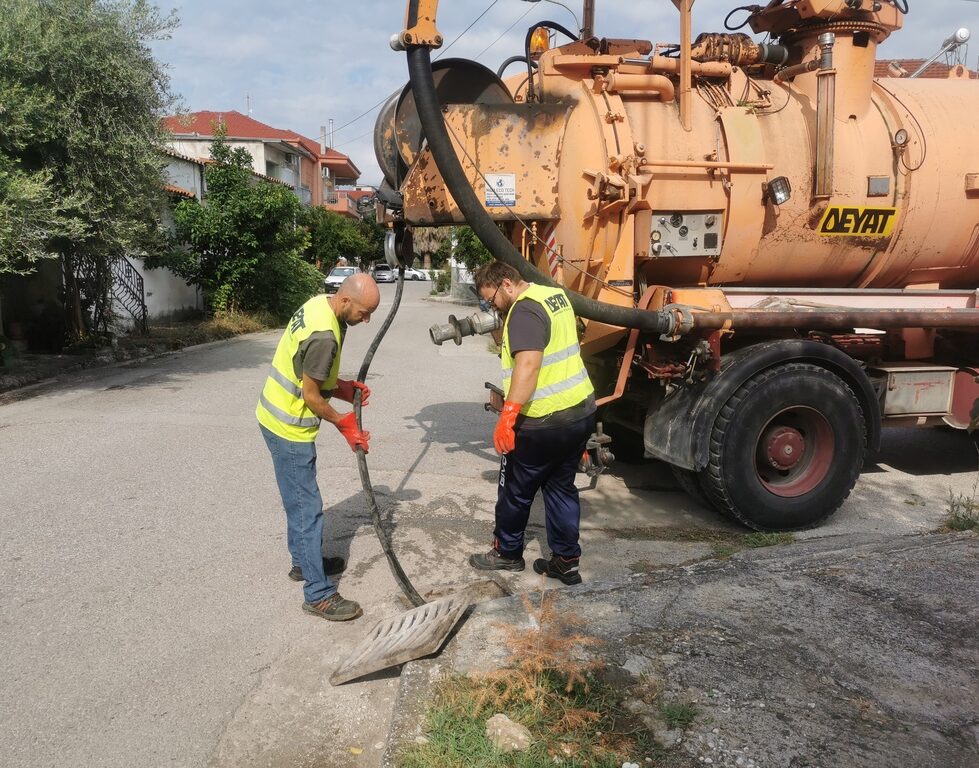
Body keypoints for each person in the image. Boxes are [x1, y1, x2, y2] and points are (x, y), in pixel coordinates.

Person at [256, 273, 380, 621]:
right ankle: (318, 594)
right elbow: (310, 395)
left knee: (298, 503)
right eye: (364, 313)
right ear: (345, 300)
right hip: (288, 428)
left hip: (272, 415)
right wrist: (344, 423)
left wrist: (343, 388)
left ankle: (303, 562)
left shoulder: (319, 305)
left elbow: (308, 369)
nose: (366, 321)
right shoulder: (325, 334)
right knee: (307, 509)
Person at [469, 261, 596, 586]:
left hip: (543, 421)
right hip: (579, 412)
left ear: (507, 284)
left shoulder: (524, 311)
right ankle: (566, 561)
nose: (492, 306)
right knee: (560, 487)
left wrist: (508, 416)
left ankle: (507, 552)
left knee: (514, 489)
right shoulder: (552, 295)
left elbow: (528, 366)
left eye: (492, 299)